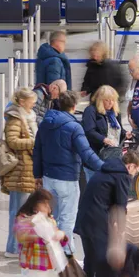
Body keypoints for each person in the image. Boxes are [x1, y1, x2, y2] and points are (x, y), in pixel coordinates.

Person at [33, 90, 104, 252]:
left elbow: (37, 150)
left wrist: (37, 175)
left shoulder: (45, 123)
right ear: (74, 106)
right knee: (67, 220)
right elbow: (86, 153)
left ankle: (52, 253)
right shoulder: (74, 127)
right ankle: (66, 256)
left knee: (52, 218)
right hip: (67, 179)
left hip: (48, 178)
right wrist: (104, 167)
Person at [74, 149, 139, 277]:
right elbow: (120, 206)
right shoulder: (122, 176)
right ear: (131, 166)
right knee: (103, 263)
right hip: (98, 223)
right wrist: (121, 231)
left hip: (85, 220)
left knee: (89, 260)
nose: (134, 175)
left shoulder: (107, 169)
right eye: (136, 171)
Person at [1, 88, 38, 258]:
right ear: (22, 102)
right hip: (20, 170)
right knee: (18, 211)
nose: (34, 104)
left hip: (27, 168)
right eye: (31, 101)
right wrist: (33, 142)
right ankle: (13, 248)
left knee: (22, 211)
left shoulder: (28, 116)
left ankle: (18, 246)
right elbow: (13, 141)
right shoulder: (15, 118)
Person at [13, 188, 69, 277]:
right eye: (43, 204)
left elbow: (58, 240)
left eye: (49, 204)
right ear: (34, 205)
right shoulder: (25, 218)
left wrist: (61, 235)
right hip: (33, 263)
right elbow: (21, 237)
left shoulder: (50, 220)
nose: (47, 207)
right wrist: (38, 233)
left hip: (50, 263)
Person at [81, 86, 124, 170]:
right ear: (100, 100)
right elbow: (89, 131)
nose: (110, 103)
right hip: (97, 155)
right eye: (107, 100)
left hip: (113, 154)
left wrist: (126, 133)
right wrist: (104, 139)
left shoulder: (115, 113)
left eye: (113, 100)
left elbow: (118, 130)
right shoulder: (91, 110)